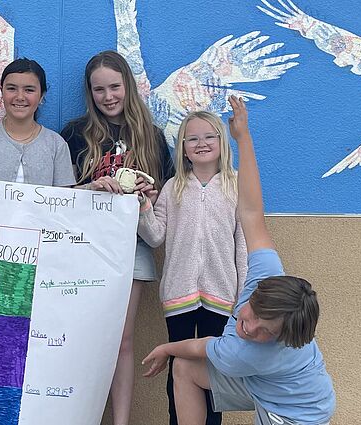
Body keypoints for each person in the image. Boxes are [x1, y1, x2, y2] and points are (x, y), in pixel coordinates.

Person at [142, 96, 336, 425]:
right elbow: (252, 214)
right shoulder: (265, 276)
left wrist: (169, 349)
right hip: (183, 299)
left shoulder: (239, 350)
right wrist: (244, 136)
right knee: (187, 367)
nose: (249, 327)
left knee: (207, 366)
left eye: (265, 331)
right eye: (254, 313)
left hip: (295, 414)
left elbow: (214, 348)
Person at [60, 50, 173, 425]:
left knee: (121, 341)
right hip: (83, 246)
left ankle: (121, 421)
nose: (108, 96)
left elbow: (169, 196)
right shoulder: (75, 134)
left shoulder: (152, 137)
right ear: (89, 93)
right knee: (81, 337)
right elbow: (59, 198)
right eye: (99, 90)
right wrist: (92, 186)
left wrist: (152, 197)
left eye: (114, 87)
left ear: (128, 86)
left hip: (133, 247)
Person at [137, 109, 247, 425]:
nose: (201, 143)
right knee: (180, 371)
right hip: (179, 297)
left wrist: (242, 300)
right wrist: (143, 205)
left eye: (209, 136)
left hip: (222, 297)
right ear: (182, 146)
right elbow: (155, 235)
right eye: (192, 138)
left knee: (215, 372)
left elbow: (243, 246)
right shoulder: (174, 187)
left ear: (222, 142)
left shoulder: (235, 185)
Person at [0, 58, 75, 186]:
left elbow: (64, 197)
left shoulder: (56, 145)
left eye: (29, 90)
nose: (20, 97)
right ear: (2, 91)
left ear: (41, 95)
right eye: (11, 88)